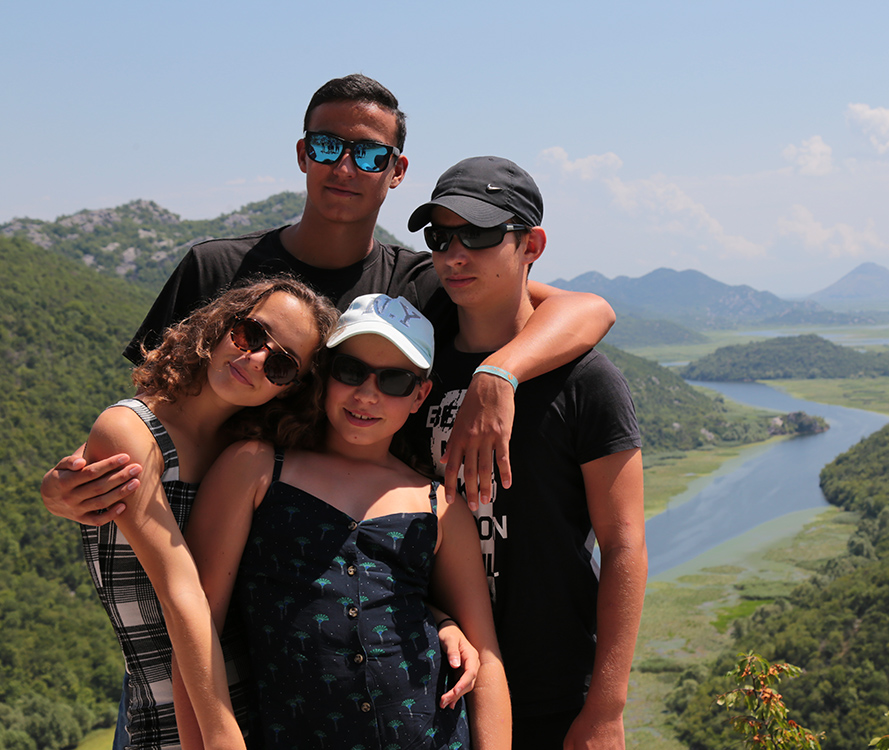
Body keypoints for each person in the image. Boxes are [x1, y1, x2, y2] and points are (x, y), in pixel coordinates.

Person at [41, 73, 615, 527]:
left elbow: (588, 308)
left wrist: (500, 374)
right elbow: (151, 411)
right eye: (327, 146)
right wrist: (68, 483)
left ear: (396, 172)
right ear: (302, 154)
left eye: (368, 155)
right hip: (203, 551)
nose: (345, 167)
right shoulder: (215, 269)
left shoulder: (417, 284)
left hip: (345, 570)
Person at [174, 294, 509, 749]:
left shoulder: (439, 505)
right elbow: (195, 630)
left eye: (394, 381)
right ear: (325, 374)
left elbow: (485, 658)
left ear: (420, 396)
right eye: (350, 371)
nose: (367, 394)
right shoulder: (254, 469)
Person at [404, 157, 648, 749]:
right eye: (441, 237)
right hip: (435, 681)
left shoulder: (585, 381)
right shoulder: (408, 367)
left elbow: (624, 545)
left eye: (482, 234)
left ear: (531, 244)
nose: (455, 254)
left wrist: (605, 710)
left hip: (552, 689)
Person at [78, 277, 339, 750]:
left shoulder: (250, 455)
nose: (255, 359)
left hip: (268, 712)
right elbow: (182, 591)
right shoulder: (129, 432)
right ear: (222, 325)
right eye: (251, 334)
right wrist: (221, 735)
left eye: (280, 365)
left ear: (288, 390)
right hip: (175, 724)